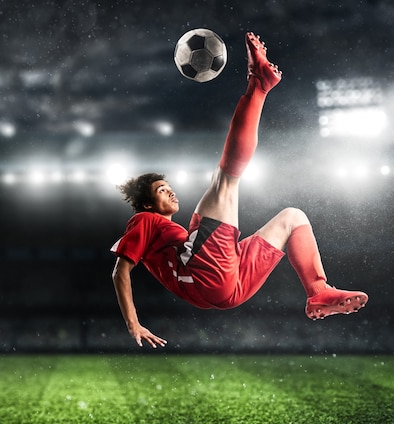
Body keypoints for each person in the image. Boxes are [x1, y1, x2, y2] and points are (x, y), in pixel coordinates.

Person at [110, 32, 368, 348]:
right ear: (147, 204)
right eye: (162, 190)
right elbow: (120, 271)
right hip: (203, 274)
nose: (171, 192)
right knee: (226, 179)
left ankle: (318, 292)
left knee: (293, 218)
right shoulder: (143, 221)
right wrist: (133, 323)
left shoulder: (163, 233)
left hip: (225, 291)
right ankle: (258, 85)